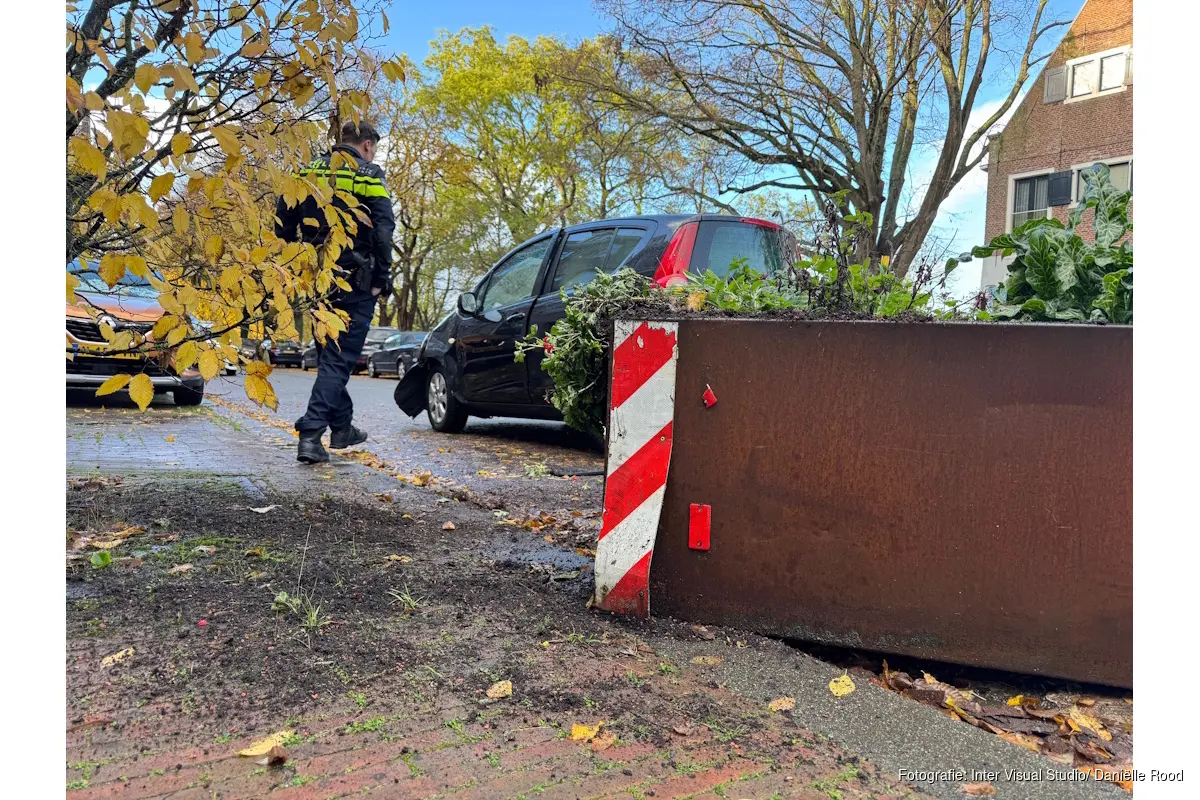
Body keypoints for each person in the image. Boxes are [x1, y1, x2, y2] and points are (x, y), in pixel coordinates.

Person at [275, 121, 394, 464]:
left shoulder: (306, 171)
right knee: (339, 358)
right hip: (356, 279)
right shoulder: (369, 173)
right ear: (367, 145)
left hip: (316, 279)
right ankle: (311, 433)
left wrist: (296, 262)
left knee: (329, 354)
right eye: (373, 148)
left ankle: (342, 427)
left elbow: (282, 222)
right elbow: (383, 228)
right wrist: (382, 276)